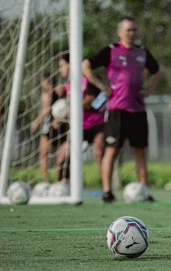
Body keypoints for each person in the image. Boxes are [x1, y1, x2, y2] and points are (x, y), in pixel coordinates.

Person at [83, 16, 162, 204]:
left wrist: (148, 90)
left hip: (138, 110)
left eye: (134, 30)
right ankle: (107, 192)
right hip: (117, 111)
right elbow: (85, 66)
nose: (132, 33)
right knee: (111, 151)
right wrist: (102, 86)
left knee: (140, 151)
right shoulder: (111, 51)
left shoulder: (142, 52)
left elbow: (157, 71)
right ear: (120, 32)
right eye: (128, 30)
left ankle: (144, 191)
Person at [58, 54, 106, 182]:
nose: (60, 69)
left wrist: (76, 105)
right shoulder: (67, 85)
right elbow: (67, 107)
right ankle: (63, 183)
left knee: (99, 151)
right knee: (63, 155)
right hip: (78, 126)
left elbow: (92, 100)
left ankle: (106, 186)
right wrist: (59, 116)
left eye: (62, 66)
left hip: (96, 123)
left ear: (70, 64)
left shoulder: (87, 78)